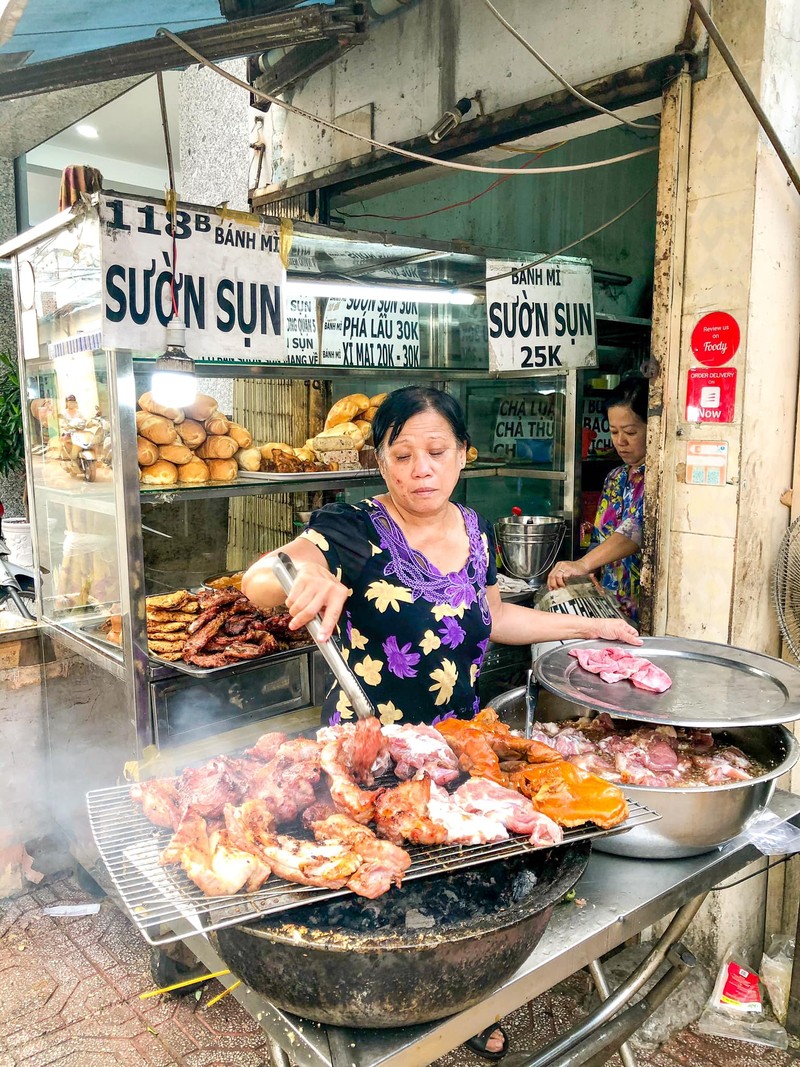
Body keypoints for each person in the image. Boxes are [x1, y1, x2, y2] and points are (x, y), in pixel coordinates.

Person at [242, 385, 641, 1059]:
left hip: (455, 754)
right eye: (401, 454)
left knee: (460, 885)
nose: (418, 468)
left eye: (435, 451)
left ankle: (458, 996)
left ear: (463, 454)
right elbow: (263, 576)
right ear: (380, 460)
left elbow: (496, 618)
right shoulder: (352, 527)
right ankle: (372, 1007)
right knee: (377, 894)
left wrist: (590, 623)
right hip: (372, 758)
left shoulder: (475, 526)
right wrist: (299, 581)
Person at [547, 377, 648, 622]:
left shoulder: (660, 481)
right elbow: (600, 535)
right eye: (614, 431)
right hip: (612, 607)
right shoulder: (615, 477)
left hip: (644, 608)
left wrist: (582, 563)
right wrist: (587, 570)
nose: (620, 441)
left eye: (631, 432)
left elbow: (636, 529)